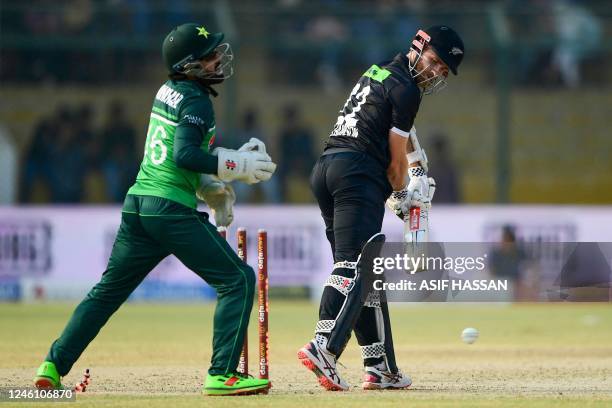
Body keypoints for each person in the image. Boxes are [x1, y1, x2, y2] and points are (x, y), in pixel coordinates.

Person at [33, 23, 276, 396]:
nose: (217, 59)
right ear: (190, 65)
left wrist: (210, 187)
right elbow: (184, 155)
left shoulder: (168, 91)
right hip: (169, 210)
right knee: (238, 280)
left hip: (138, 207)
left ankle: (52, 364)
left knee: (107, 293)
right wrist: (233, 166)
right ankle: (222, 374)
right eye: (209, 55)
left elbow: (173, 157)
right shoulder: (196, 100)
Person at [298, 26, 464, 391]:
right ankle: (323, 347)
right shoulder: (407, 89)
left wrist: (413, 178)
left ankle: (380, 366)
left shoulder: (382, 72)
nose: (436, 72)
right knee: (355, 266)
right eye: (435, 62)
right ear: (418, 47)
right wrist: (405, 195)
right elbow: (394, 163)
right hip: (358, 173)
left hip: (328, 168)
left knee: (366, 272)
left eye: (444, 71)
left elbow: (405, 141)